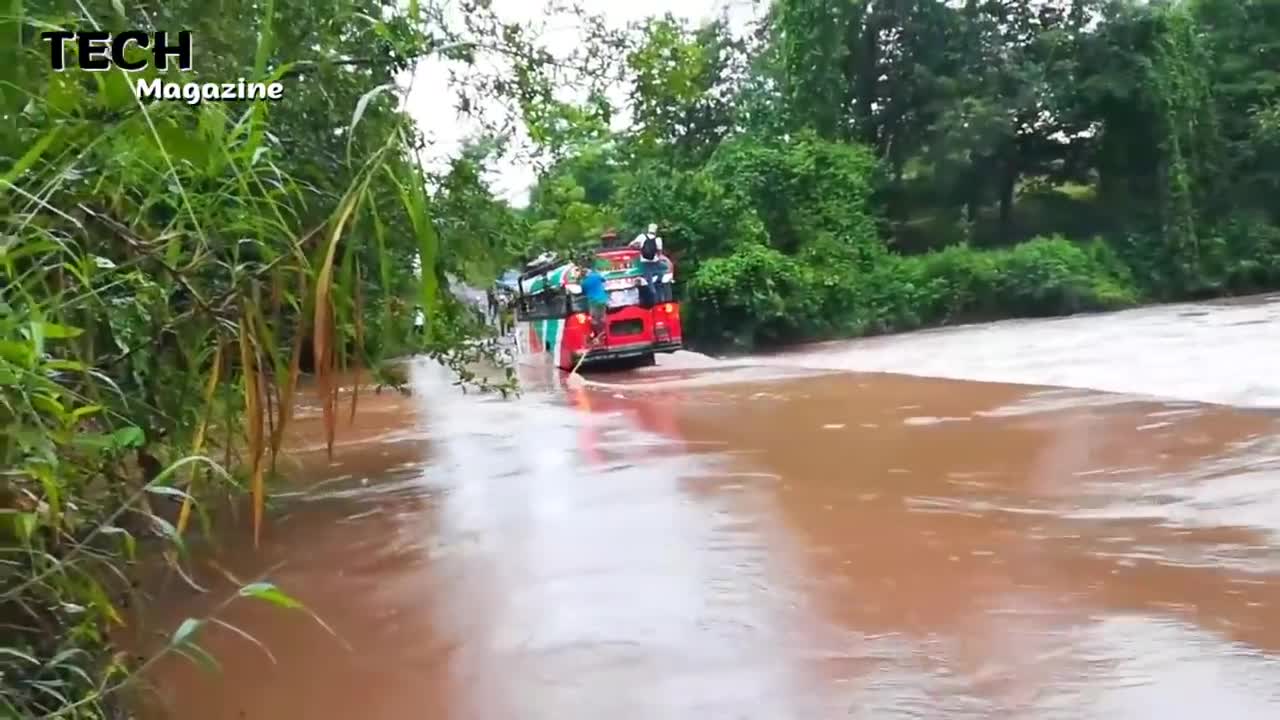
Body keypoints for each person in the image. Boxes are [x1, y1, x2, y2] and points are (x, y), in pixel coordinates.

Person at [629, 223, 666, 305]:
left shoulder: (642, 237)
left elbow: (631, 245)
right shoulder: (658, 239)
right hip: (655, 262)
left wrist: (638, 247)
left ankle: (653, 299)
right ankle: (659, 280)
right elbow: (659, 252)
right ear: (656, 231)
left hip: (645, 263)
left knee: (649, 283)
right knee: (665, 268)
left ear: (648, 230)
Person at [578, 257, 608, 341]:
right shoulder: (596, 276)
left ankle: (598, 334)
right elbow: (604, 280)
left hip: (592, 301)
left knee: (594, 319)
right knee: (602, 317)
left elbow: (583, 292)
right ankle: (605, 333)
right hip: (602, 299)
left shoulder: (583, 283)